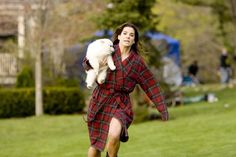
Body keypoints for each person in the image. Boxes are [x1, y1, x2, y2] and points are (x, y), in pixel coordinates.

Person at [82, 22, 169, 157]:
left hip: (120, 104)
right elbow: (88, 61)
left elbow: (150, 85)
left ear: (134, 40)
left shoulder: (137, 62)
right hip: (100, 100)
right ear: (119, 36)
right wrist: (92, 64)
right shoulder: (108, 50)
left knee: (114, 134)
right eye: (125, 33)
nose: (128, 36)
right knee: (95, 147)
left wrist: (162, 108)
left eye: (131, 35)